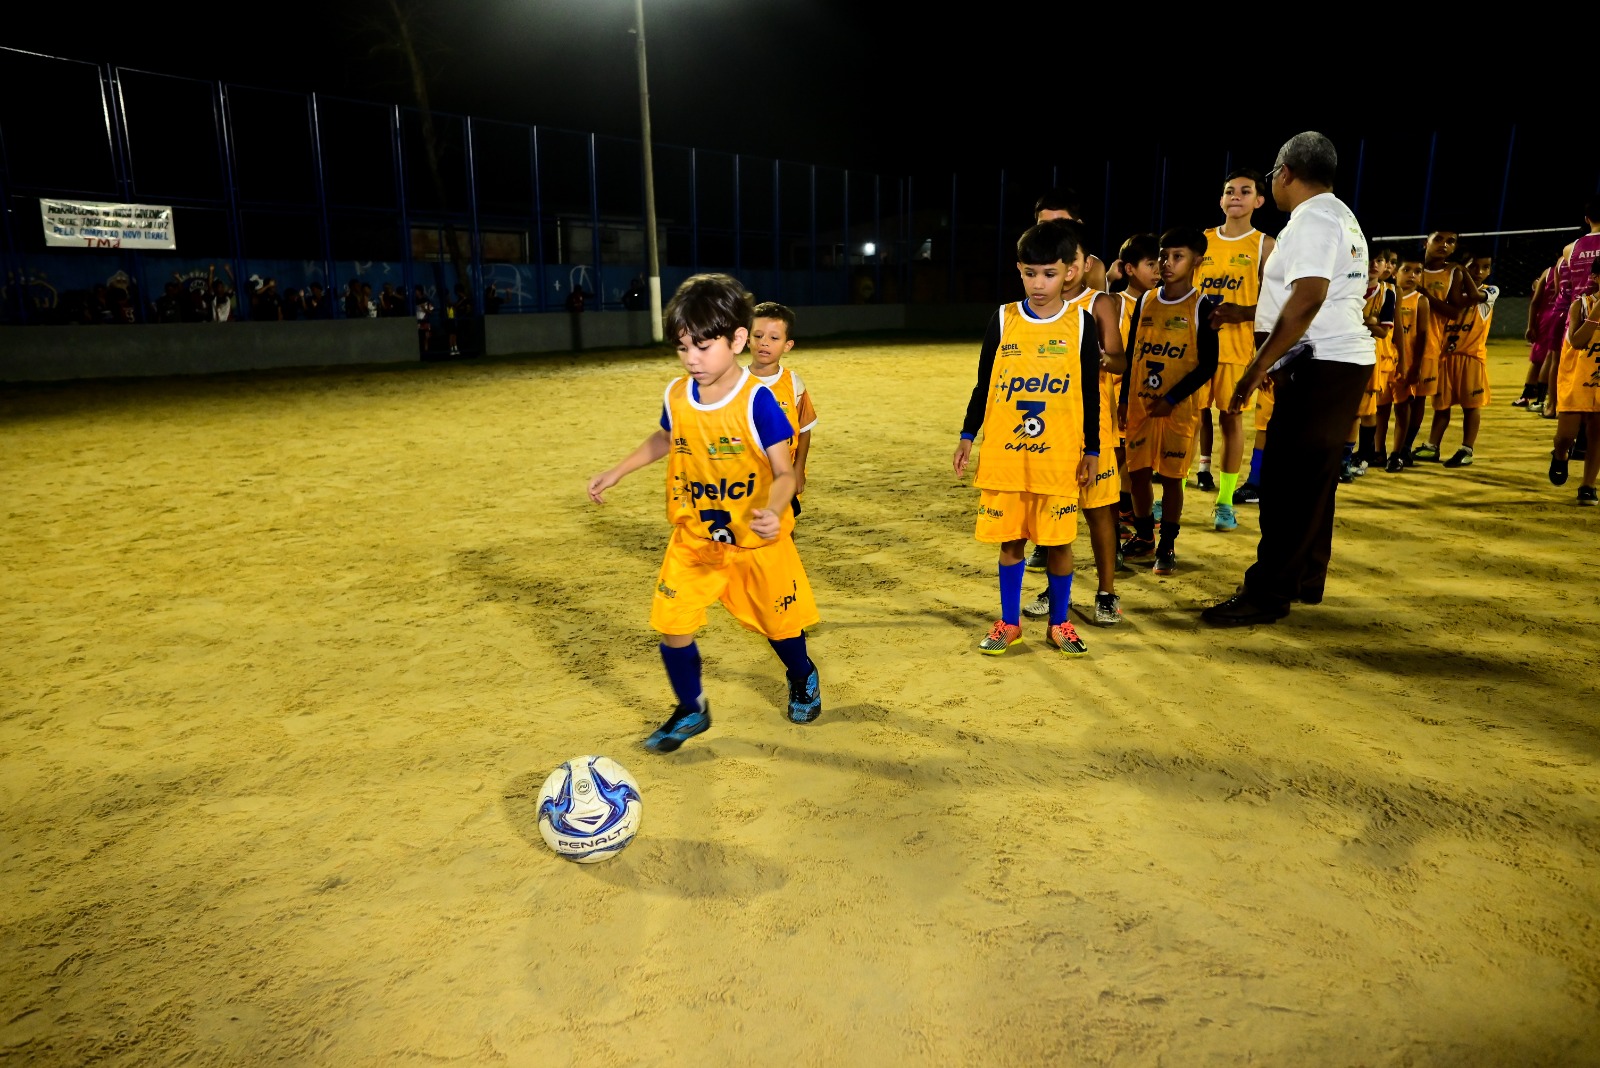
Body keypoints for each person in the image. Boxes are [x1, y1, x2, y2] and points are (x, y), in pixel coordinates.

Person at [586, 273, 822, 751]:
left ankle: (802, 674)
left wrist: (775, 511)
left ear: (737, 339)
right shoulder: (677, 394)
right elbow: (666, 436)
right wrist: (618, 470)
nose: (691, 358)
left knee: (780, 628)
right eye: (682, 347)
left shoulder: (759, 403)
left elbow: (785, 473)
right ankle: (692, 707)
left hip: (756, 541)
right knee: (672, 624)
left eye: (703, 346)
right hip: (696, 537)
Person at [1201, 131, 1375, 626]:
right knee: (1312, 480)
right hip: (1335, 361)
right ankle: (1303, 579)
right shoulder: (1339, 214)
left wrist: (1256, 368)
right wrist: (1247, 314)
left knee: (1285, 484)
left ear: (1285, 173)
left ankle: (1268, 593)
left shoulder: (1312, 220)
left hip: (1319, 363)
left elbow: (1308, 297)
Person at [953, 220, 1100, 656]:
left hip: (1058, 458)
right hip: (1006, 456)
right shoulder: (1003, 318)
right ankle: (1009, 621)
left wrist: (1092, 449)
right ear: (1019, 269)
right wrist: (966, 435)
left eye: (1049, 274)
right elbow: (984, 384)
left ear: (1069, 272)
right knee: (1011, 540)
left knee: (1058, 543)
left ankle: (1059, 623)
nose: (1039, 283)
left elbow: (1090, 393)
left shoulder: (1081, 324)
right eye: (1030, 273)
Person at [1019, 227, 1129, 626]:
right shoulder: (1035, 306)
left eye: (1075, 263)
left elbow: (1119, 361)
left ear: (1082, 265)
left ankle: (1106, 592)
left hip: (1091, 421)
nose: (1065, 274)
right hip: (1050, 425)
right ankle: (1055, 589)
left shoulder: (1099, 303)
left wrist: (1094, 358)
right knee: (1055, 513)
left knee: (1099, 511)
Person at [1118, 227, 1220, 575]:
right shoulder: (1146, 300)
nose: (1167, 263)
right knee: (1138, 473)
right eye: (1163, 256)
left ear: (1197, 262)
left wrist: (1172, 398)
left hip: (1179, 409)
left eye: (1177, 256)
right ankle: (1145, 536)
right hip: (1140, 405)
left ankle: (1167, 544)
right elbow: (1132, 354)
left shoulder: (1202, 305)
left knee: (1172, 476)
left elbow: (1208, 365)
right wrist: (1122, 400)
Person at [1195, 169, 1276, 529]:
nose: (1236, 197)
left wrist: (1265, 354)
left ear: (1259, 201)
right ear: (1221, 200)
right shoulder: (1202, 242)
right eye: (1230, 191)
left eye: (1245, 191)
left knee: (1230, 420)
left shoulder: (1266, 245)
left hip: (1238, 351)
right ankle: (1173, 491)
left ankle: (1225, 501)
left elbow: (1279, 304)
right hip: (1197, 349)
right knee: (1189, 420)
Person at [1409, 231, 1482, 461]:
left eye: (1451, 242)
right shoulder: (1409, 267)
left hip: (1429, 344)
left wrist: (1428, 295)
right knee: (1387, 402)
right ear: (1426, 242)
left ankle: (1403, 449)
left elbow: (1455, 310)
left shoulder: (1452, 274)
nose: (1444, 245)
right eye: (1439, 239)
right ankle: (1377, 449)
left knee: (1417, 399)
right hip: (1396, 341)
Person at [1422, 251, 1496, 467]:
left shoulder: (1490, 292)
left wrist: (1461, 270)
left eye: (1485, 267)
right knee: (1441, 406)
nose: (1480, 272)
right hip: (1445, 357)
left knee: (1471, 406)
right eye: (1473, 267)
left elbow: (1472, 298)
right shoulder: (1448, 294)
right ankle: (1432, 446)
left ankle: (1466, 449)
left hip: (1470, 358)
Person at [747, 302, 818, 518]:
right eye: (758, 336)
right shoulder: (733, 383)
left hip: (783, 474)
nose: (764, 343)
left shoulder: (794, 384)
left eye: (774, 338)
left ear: (787, 345)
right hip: (744, 475)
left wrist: (799, 469)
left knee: (784, 528)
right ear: (745, 339)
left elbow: (804, 429)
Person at [1549, 259, 1600, 504]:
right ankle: (1560, 454)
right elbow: (1578, 342)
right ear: (1596, 278)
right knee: (1566, 436)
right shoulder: (1581, 306)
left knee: (1597, 434)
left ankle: (1588, 485)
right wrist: (1598, 311)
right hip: (1577, 378)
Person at [1380, 255, 1430, 471]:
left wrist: (1415, 366)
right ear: (1395, 272)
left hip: (1404, 363)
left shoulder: (1421, 300)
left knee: (1402, 408)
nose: (1412, 275)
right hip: (1383, 362)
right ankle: (1377, 451)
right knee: (1380, 410)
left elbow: (1422, 336)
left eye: (1417, 271)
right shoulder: (1386, 295)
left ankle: (1396, 453)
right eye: (1407, 270)